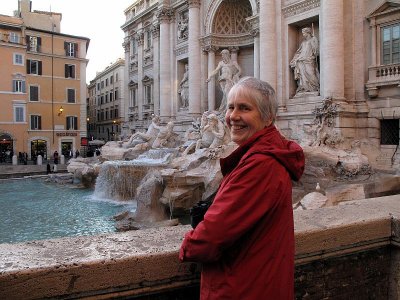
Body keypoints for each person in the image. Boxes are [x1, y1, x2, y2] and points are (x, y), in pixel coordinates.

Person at [179, 77, 305, 299]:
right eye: (230, 107)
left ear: (268, 118)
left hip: (242, 288)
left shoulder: (260, 165)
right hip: (257, 283)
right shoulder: (266, 155)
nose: (232, 116)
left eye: (244, 108)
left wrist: (188, 244)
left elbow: (209, 239)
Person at [290, 27, 320, 94]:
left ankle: (314, 88)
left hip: (309, 60)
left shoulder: (313, 39)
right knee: (302, 74)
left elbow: (316, 51)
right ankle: (304, 87)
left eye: (304, 33)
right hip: (301, 60)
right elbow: (299, 52)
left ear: (308, 32)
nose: (303, 34)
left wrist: (314, 44)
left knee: (311, 73)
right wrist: (295, 59)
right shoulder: (303, 43)